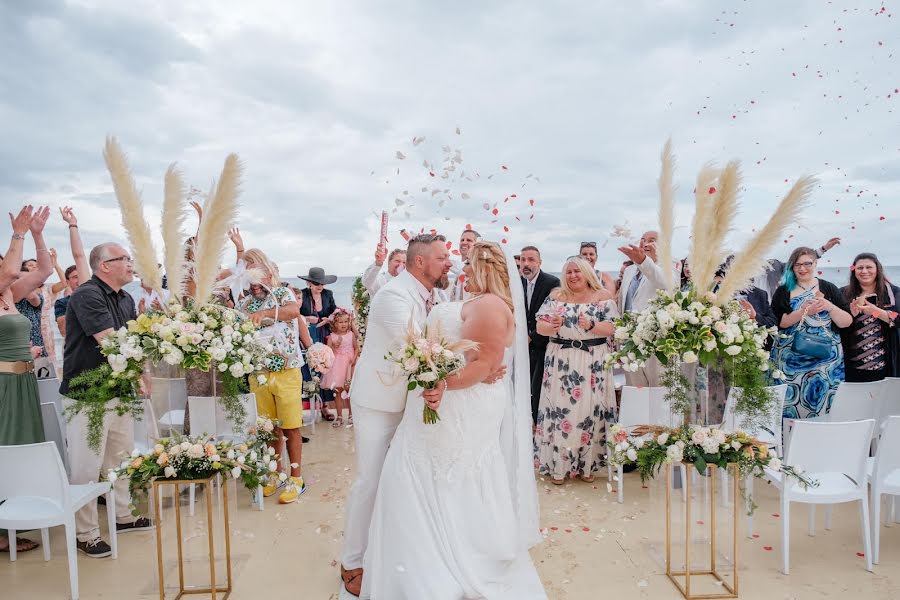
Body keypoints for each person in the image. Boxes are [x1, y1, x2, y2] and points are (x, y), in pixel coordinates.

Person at [361, 240, 546, 599]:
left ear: (483, 267)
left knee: (446, 476)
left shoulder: (490, 305)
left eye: (464, 262)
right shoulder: (466, 302)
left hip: (461, 403)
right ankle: (425, 558)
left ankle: (448, 560)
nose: (457, 267)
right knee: (430, 476)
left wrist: (445, 382)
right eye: (448, 259)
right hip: (447, 400)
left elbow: (484, 363)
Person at [340, 233, 454, 597]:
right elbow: (418, 347)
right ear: (419, 263)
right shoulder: (392, 297)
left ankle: (385, 551)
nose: (449, 263)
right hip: (377, 402)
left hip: (406, 402)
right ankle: (352, 561)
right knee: (370, 481)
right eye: (441, 258)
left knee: (398, 481)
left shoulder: (431, 294)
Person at [61, 242, 152, 558]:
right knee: (86, 467)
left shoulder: (125, 298)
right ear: (105, 266)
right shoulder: (87, 295)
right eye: (124, 259)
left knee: (120, 459)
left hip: (119, 391)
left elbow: (131, 340)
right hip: (87, 396)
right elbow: (112, 342)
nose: (130, 263)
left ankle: (123, 516)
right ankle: (84, 533)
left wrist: (142, 372)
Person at [535, 256, 618, 484]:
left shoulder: (602, 298)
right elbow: (539, 327)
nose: (572, 276)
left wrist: (591, 325)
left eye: (577, 271)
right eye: (568, 272)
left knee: (588, 412)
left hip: (592, 363)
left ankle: (587, 467)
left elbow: (611, 328)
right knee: (561, 413)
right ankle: (559, 467)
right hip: (561, 363)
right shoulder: (556, 297)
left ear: (586, 273)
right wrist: (549, 326)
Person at [0, 206, 52, 554]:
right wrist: (16, 234)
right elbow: (8, 271)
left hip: (22, 383)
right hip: (2, 385)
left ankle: (15, 519)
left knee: (22, 446)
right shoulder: (6, 284)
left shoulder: (10, 295)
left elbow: (46, 270)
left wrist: (36, 233)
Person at [240, 248, 307, 504]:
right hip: (258, 372)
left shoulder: (282, 293)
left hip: (287, 369)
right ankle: (276, 474)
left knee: (290, 426)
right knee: (268, 429)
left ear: (267, 273)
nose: (252, 283)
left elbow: (293, 312)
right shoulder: (246, 302)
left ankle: (296, 478)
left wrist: (265, 314)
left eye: (256, 275)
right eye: (247, 276)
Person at [770, 246, 852, 419]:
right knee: (789, 404)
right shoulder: (784, 290)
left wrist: (829, 306)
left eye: (807, 263)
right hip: (790, 359)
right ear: (792, 267)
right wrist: (803, 311)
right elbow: (780, 322)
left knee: (823, 402)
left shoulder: (828, 288)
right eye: (797, 265)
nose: (802, 268)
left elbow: (846, 321)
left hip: (825, 360)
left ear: (815, 264)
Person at [617, 230, 670, 386]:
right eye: (643, 239)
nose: (646, 244)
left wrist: (645, 261)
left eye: (652, 240)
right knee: (635, 396)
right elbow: (623, 304)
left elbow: (667, 284)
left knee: (659, 395)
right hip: (630, 345)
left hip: (656, 347)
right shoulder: (629, 270)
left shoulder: (670, 265)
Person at [840, 253, 900, 382]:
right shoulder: (843, 293)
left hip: (884, 364)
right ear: (853, 270)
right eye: (860, 268)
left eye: (869, 267)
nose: (864, 271)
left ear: (877, 269)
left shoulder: (893, 293)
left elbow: (897, 318)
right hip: (851, 364)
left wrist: (875, 312)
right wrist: (851, 315)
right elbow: (837, 326)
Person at [520, 245, 560, 422]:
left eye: (531, 260)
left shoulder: (551, 283)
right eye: (523, 260)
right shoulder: (517, 283)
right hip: (522, 345)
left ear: (540, 262)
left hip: (543, 344)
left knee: (538, 388)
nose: (526, 264)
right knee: (522, 385)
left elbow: (552, 315)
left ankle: (538, 424)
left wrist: (531, 336)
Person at [754, 237, 841, 302]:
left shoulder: (772, 266)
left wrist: (823, 249)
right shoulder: (742, 277)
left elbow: (797, 261)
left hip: (773, 310)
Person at [53, 206, 91, 339]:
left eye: (81, 276)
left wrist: (73, 224)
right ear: (67, 282)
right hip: (75, 349)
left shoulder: (97, 297)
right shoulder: (62, 303)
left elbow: (81, 257)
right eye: (75, 277)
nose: (80, 279)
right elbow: (64, 331)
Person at [321, 307, 357, 427]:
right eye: (340, 322)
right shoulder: (331, 336)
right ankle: (340, 416)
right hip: (337, 366)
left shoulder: (351, 334)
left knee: (349, 390)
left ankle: (352, 415)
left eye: (346, 322)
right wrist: (334, 346)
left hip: (349, 365)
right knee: (338, 391)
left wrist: (354, 358)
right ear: (334, 323)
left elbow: (357, 347)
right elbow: (328, 351)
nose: (344, 324)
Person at [299, 267, 338, 344]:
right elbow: (294, 313)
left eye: (322, 283)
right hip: (308, 334)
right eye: (316, 283)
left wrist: (329, 319)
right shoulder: (301, 294)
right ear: (309, 283)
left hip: (326, 333)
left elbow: (335, 311)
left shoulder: (328, 294)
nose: (320, 286)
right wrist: (306, 319)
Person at [448, 228, 480, 301]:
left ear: (477, 244)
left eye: (469, 240)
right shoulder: (457, 266)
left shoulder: (479, 269)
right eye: (462, 240)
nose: (464, 242)